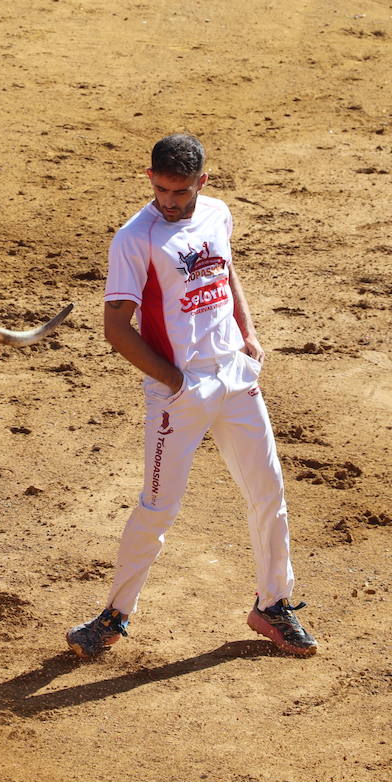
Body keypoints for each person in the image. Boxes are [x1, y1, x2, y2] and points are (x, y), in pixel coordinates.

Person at [66, 133, 318, 659]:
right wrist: (175, 383)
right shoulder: (135, 239)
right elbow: (116, 328)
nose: (170, 202)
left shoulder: (218, 213)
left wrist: (248, 333)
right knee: (158, 508)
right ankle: (114, 615)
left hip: (235, 377)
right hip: (178, 393)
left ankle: (273, 604)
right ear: (150, 180)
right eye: (161, 190)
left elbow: (226, 273)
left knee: (268, 492)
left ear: (202, 181)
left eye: (180, 192)